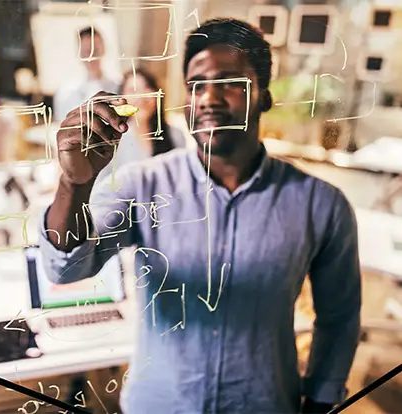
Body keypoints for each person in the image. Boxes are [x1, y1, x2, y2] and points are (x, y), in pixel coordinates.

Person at [39, 18, 361, 414]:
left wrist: (320, 401)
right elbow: (65, 269)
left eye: (229, 82)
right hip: (160, 404)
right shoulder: (143, 185)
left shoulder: (319, 204)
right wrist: (74, 185)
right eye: (196, 85)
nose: (208, 98)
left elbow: (339, 316)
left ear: (264, 97)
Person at [96, 67, 187, 182]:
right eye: (133, 91)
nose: (141, 96)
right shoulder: (112, 141)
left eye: (146, 88)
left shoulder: (175, 135)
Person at [53, 26, 121, 122]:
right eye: (86, 52)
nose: (91, 57)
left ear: (104, 49)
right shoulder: (65, 91)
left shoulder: (118, 88)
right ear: (79, 53)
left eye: (95, 51)